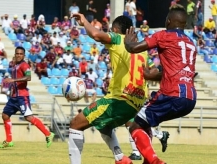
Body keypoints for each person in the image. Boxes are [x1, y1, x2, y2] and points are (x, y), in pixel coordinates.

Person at [69, 13, 147, 164]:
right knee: (104, 126)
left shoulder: (119, 39)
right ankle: (121, 159)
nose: (110, 32)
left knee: (75, 124)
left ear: (116, 30)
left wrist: (84, 21)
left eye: (112, 29)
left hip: (120, 100)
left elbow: (96, 35)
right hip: (136, 102)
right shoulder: (141, 49)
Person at [124, 5, 197, 163]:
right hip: (190, 98)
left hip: (172, 94)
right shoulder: (191, 43)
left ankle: (155, 161)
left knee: (135, 125)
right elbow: (178, 71)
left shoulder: (164, 35)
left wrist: (128, 43)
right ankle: (149, 160)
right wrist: (154, 76)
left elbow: (134, 48)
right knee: (146, 123)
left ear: (169, 21)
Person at [0, 47, 54, 148]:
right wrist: (11, 89)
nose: (19, 55)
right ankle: (9, 140)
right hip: (14, 97)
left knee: (28, 117)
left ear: (24, 55)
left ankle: (48, 134)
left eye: (21, 54)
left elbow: (28, 77)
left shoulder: (24, 65)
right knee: (5, 115)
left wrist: (13, 80)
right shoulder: (15, 65)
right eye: (17, 53)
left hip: (22, 97)